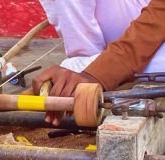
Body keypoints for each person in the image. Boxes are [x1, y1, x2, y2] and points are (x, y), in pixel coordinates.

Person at [33, 0, 165, 126]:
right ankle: (85, 71)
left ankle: (87, 72)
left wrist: (99, 73)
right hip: (123, 32)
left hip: (155, 26)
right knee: (76, 77)